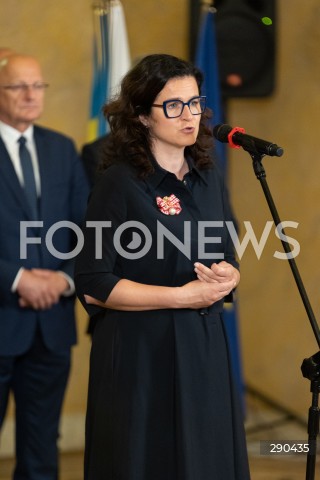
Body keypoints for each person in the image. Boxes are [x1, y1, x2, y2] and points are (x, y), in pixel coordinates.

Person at [75, 53, 250, 480]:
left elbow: (226, 252)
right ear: (141, 116)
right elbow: (94, 283)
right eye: (173, 105)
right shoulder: (118, 183)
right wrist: (181, 296)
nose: (189, 115)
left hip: (203, 345)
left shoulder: (208, 176)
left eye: (195, 103)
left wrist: (231, 274)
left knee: (206, 461)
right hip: (140, 354)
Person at [0, 53, 89, 479]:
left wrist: (64, 278)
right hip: (1, 316)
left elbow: (86, 226)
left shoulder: (61, 148)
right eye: (19, 86)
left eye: (38, 85)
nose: (31, 95)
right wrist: (16, 278)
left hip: (52, 326)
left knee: (41, 452)